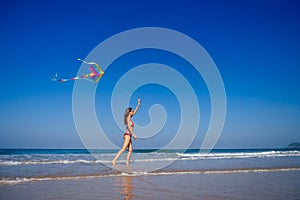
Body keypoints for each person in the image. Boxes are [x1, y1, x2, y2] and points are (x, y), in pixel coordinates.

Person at [112, 99, 141, 165]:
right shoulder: (128, 119)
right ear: (129, 112)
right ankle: (114, 160)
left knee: (130, 150)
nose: (133, 111)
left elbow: (136, 111)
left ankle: (127, 162)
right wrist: (133, 134)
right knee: (123, 149)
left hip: (129, 135)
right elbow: (129, 128)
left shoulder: (130, 117)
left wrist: (139, 104)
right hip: (127, 135)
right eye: (132, 111)